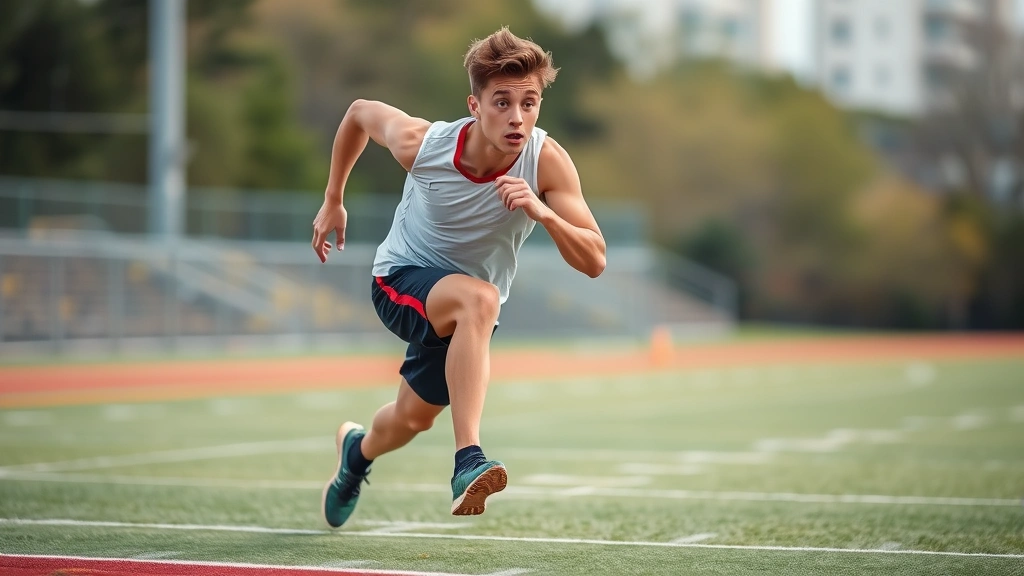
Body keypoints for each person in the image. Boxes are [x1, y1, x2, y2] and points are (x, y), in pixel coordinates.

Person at [311, 26, 606, 528]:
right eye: (502, 103)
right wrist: (333, 198)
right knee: (480, 299)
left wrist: (544, 213)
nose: (517, 118)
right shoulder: (423, 145)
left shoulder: (546, 162)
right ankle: (468, 458)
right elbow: (359, 112)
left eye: (529, 103)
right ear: (474, 105)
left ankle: (356, 454)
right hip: (399, 279)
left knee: (411, 419)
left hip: (461, 314)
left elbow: (594, 260)